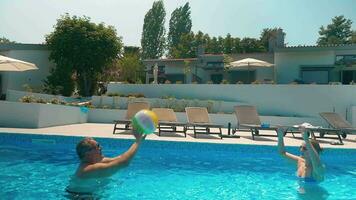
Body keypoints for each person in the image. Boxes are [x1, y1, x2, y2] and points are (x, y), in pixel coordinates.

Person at [66, 130, 146, 197]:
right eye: (97, 146)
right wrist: (137, 141)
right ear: (88, 153)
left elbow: (120, 159)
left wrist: (139, 140)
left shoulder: (94, 162)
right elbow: (124, 162)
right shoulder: (88, 169)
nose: (101, 148)